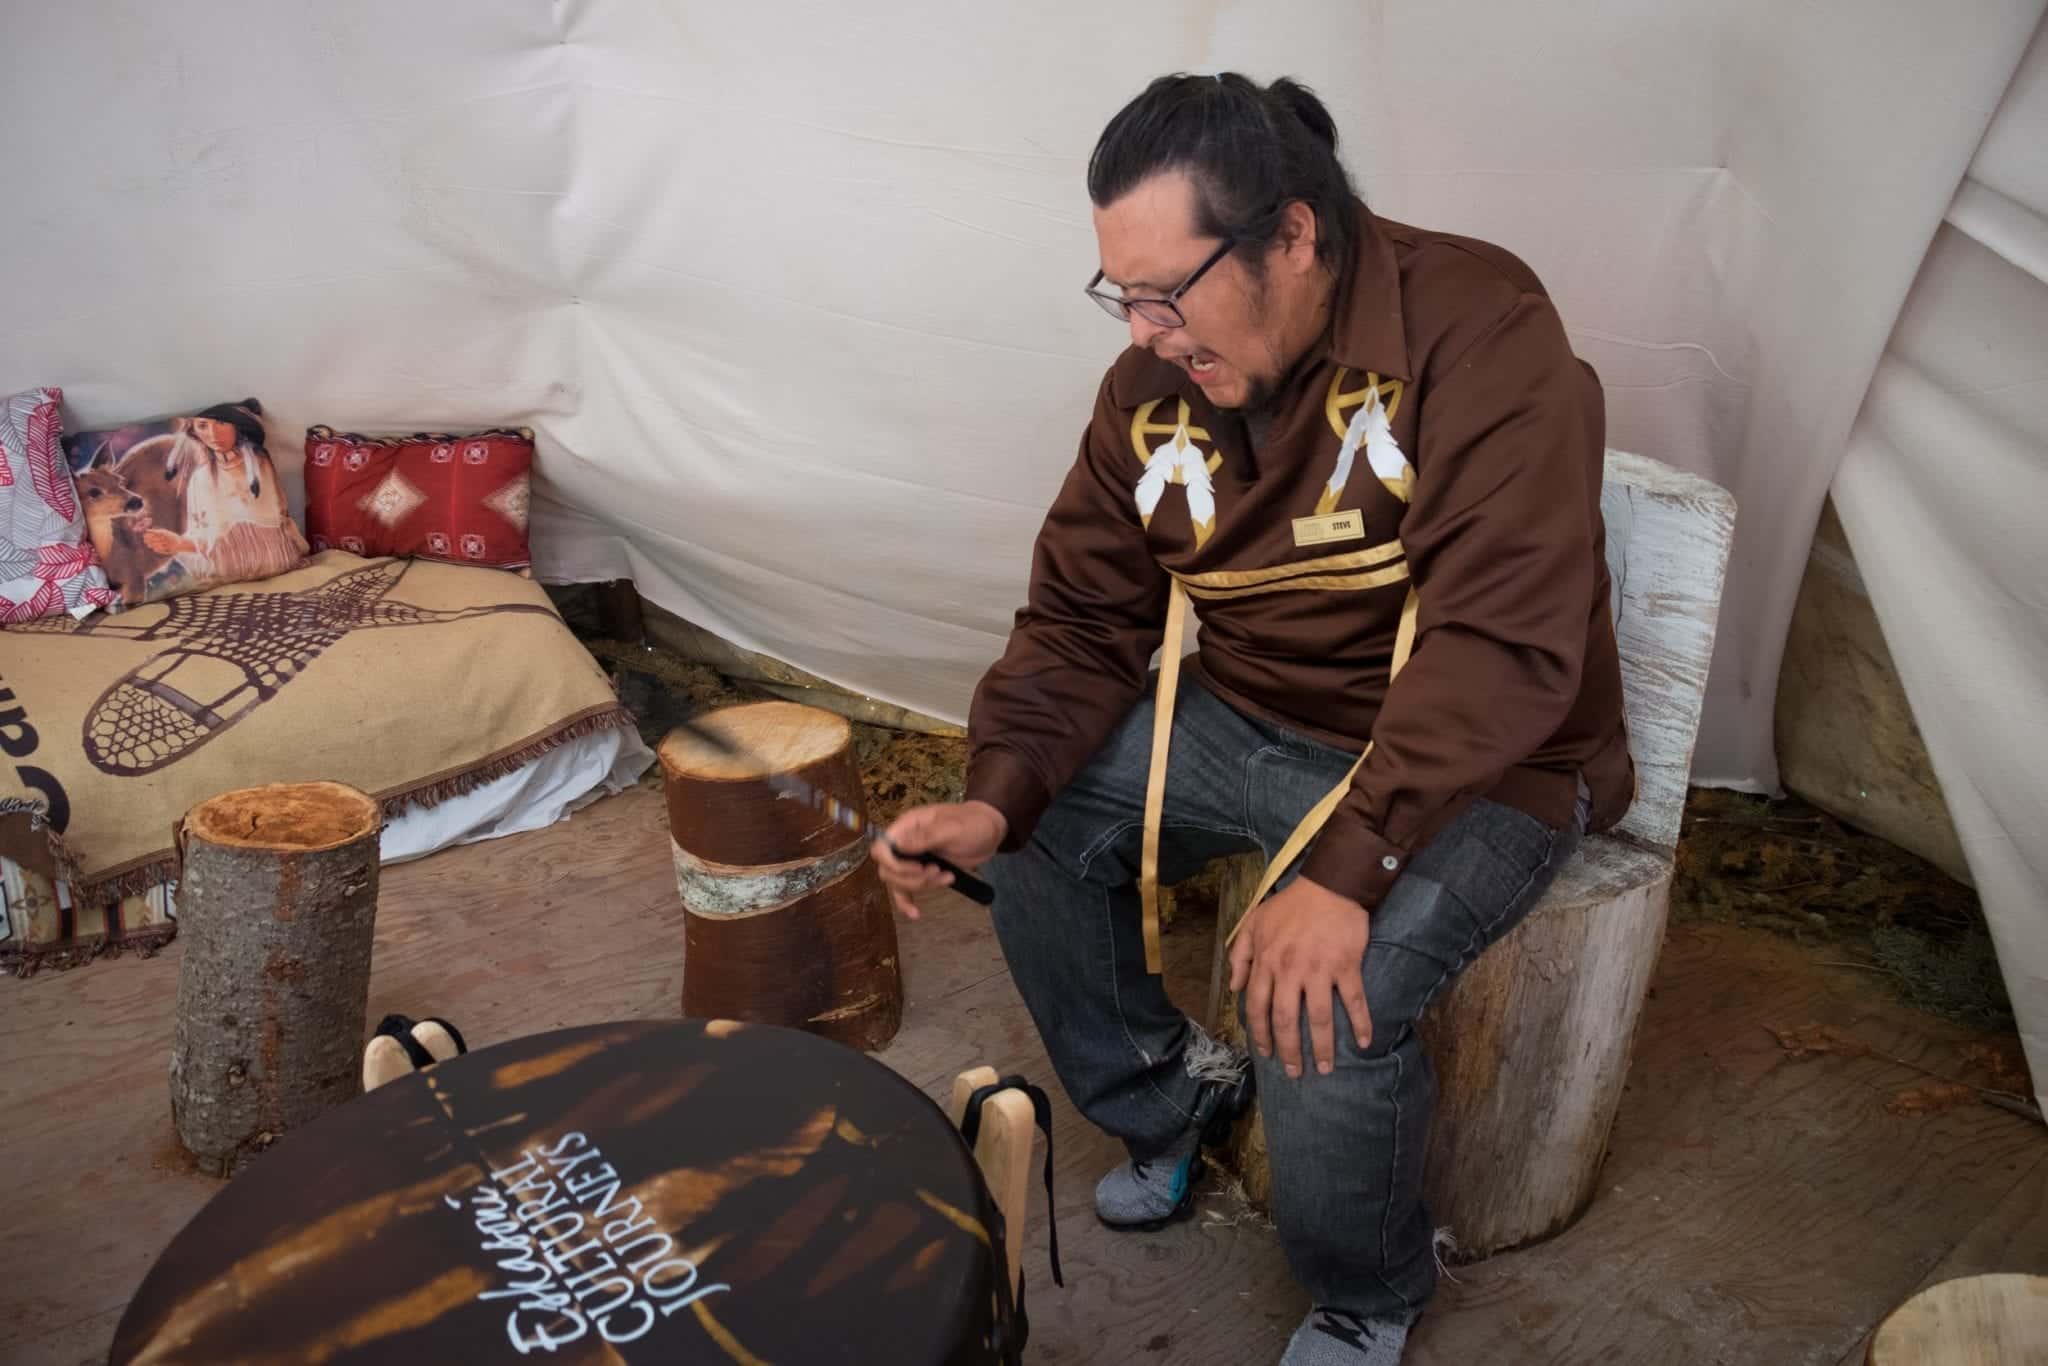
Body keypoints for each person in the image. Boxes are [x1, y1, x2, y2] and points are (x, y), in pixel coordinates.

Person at [874, 72, 1633, 1365]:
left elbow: (1502, 645)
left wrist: (1348, 868)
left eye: (1170, 291)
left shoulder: (1479, 328)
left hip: (1481, 761)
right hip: (1251, 718)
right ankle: (1170, 1096)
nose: (1146, 329)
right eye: (1123, 294)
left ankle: (1369, 1286)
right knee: (1035, 824)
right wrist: (998, 789)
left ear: (1293, 233)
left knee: (1328, 992)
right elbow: (1081, 618)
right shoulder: (1149, 394)